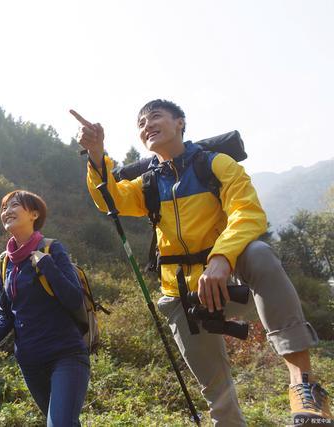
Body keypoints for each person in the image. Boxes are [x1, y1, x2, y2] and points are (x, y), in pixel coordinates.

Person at [72, 100, 331, 426]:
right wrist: (96, 153)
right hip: (183, 297)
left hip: (232, 285)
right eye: (141, 122)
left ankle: (303, 386)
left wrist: (221, 260)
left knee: (259, 254)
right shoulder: (149, 184)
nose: (147, 124)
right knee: (217, 394)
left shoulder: (216, 165)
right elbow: (110, 199)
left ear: (180, 122)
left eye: (155, 116)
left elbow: (246, 213)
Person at [0, 190, 90, 427]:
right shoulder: (5, 261)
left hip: (65, 355)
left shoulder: (51, 249)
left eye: (14, 205)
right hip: (30, 362)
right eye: (4, 208)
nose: (6, 212)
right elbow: (7, 313)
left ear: (34, 214)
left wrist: (46, 265)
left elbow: (75, 299)